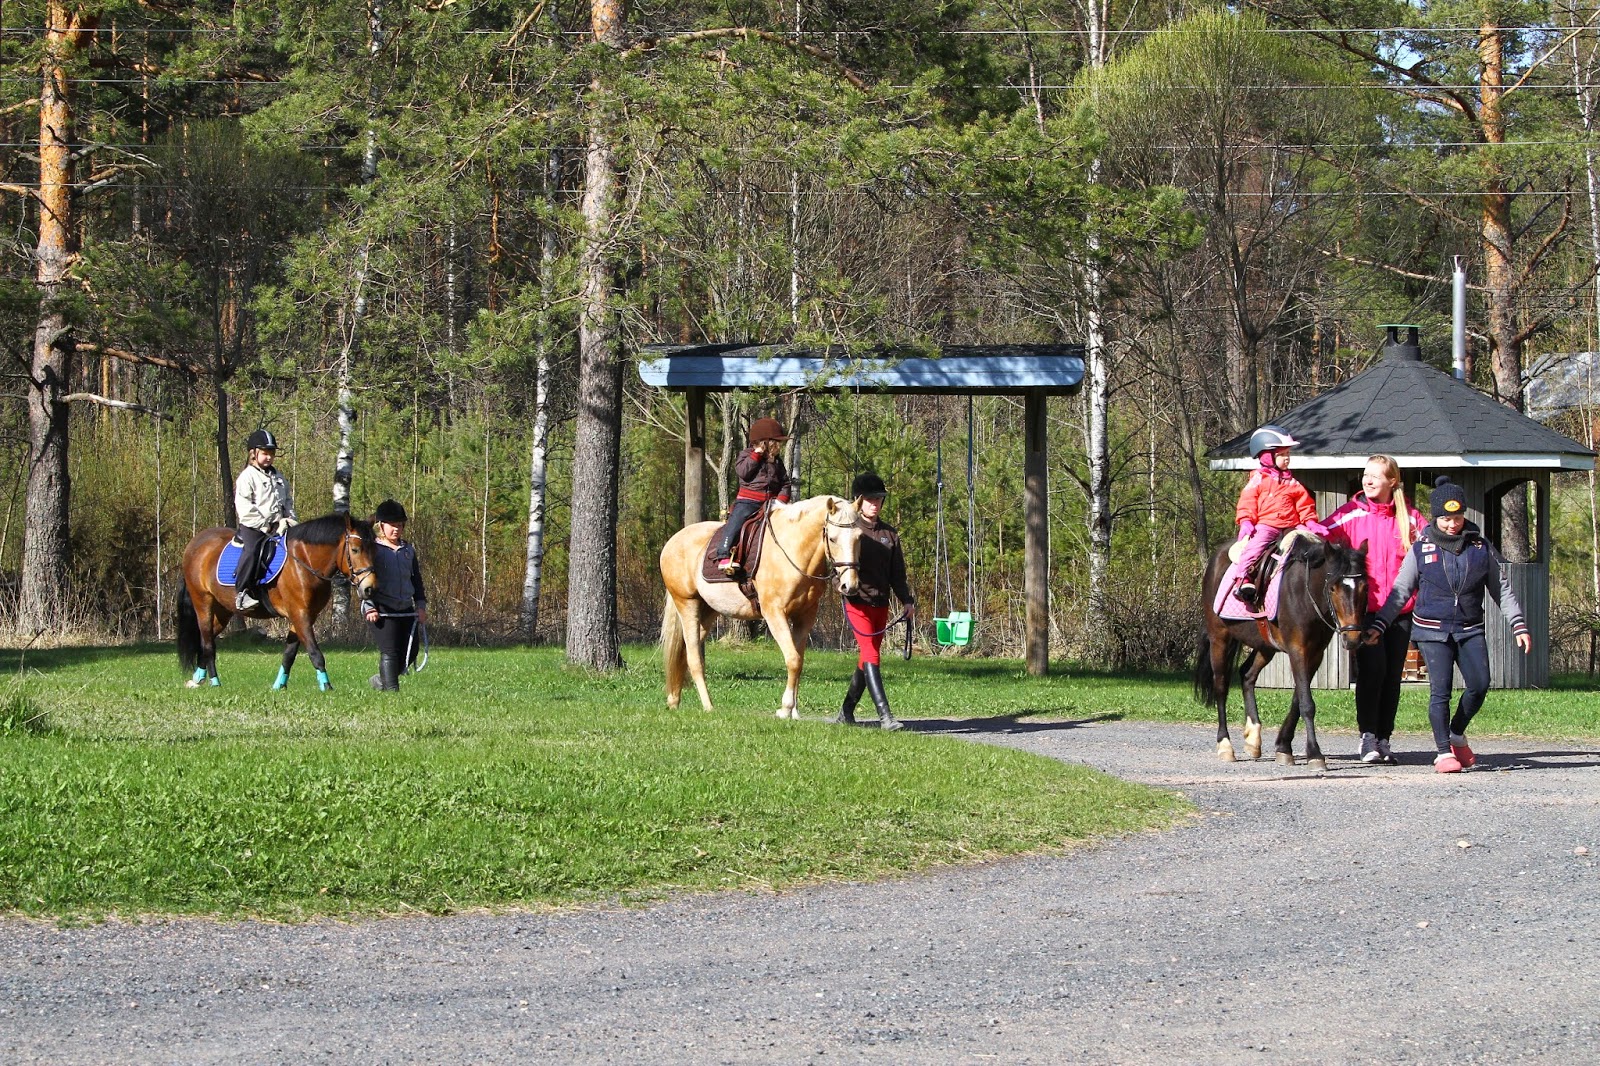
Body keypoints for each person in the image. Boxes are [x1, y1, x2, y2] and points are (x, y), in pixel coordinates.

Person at [1364, 476, 1532, 773]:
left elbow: (1501, 589)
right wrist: (1380, 625)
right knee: (1440, 692)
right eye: (1445, 519)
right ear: (1435, 518)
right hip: (1431, 630)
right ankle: (1443, 753)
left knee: (1479, 685)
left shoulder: (1479, 547)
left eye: (1457, 517)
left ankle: (1456, 733)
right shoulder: (1421, 547)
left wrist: (1518, 624)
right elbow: (1401, 590)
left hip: (1470, 629)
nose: (1452, 524)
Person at [1324, 455, 1426, 765]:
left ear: (1392, 481)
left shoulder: (1411, 519)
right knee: (1372, 672)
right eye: (1365, 475)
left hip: (1399, 613)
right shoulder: (1350, 514)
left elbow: (1433, 545)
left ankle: (1384, 739)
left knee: (1392, 677)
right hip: (1364, 612)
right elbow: (1320, 534)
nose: (1367, 480)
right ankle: (1367, 737)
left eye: (1375, 476)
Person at [832, 471, 915, 731]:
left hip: (881, 604)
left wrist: (907, 600)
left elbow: (897, 573)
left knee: (867, 658)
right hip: (857, 602)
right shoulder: (850, 530)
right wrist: (839, 584)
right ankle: (885, 717)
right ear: (858, 500)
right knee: (871, 654)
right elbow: (836, 564)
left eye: (878, 499)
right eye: (870, 500)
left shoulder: (890, 534)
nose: (875, 504)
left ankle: (846, 712)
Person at [1231, 424, 1327, 603]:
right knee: (1255, 547)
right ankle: (1242, 578)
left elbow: (1304, 504)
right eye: (1282, 455)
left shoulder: (1292, 482)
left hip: (1292, 525)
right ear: (1267, 456)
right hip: (1267, 525)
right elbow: (1247, 502)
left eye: (1288, 454)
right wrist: (1246, 521)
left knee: (1314, 543)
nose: (1287, 458)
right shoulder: (1258, 480)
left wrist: (1310, 521)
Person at [712, 416, 799, 575]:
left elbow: (785, 483)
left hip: (772, 503)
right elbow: (743, 472)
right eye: (776, 442)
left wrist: (781, 501)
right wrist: (756, 456)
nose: (779, 446)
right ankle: (724, 553)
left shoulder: (777, 462)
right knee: (737, 521)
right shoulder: (746, 455)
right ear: (765, 442)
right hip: (748, 502)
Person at [362, 498, 428, 692]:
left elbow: (416, 581)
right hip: (382, 609)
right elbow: (364, 581)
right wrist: (369, 607)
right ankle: (392, 692)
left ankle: (381, 680)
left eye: (400, 525)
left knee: (411, 651)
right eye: (392, 525)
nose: (397, 529)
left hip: (406, 609)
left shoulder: (408, 550)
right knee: (390, 652)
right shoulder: (373, 550)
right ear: (381, 526)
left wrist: (420, 606)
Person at [233, 427, 296, 611]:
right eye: (265, 453)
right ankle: (242, 592)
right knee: (252, 551)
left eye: (271, 453)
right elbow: (244, 506)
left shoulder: (279, 477)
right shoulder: (247, 477)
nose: (269, 457)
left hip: (280, 525)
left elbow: (288, 501)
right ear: (254, 454)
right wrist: (265, 525)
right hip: (254, 527)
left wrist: (291, 519)